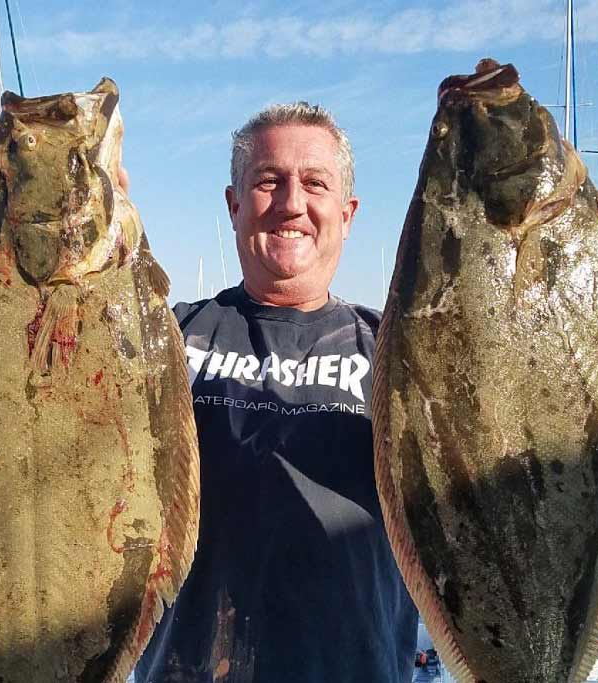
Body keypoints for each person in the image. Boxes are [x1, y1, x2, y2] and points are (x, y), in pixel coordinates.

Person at [134, 103, 418, 683]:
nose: (292, 202)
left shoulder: (400, 354)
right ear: (234, 205)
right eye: (269, 181)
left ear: (347, 211)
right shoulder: (164, 339)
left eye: (315, 183)